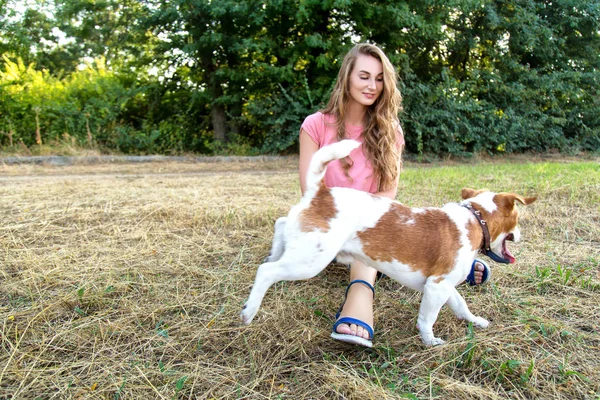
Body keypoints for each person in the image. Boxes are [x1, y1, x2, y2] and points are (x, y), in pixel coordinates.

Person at [298, 43, 490, 347]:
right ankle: (373, 287)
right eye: (364, 76)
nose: (372, 86)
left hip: (376, 222)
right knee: (363, 238)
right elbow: (310, 193)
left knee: (393, 230)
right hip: (334, 221)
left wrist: (369, 225)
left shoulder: (391, 131)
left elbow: (387, 195)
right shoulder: (315, 125)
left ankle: (450, 263)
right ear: (347, 76)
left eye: (379, 78)